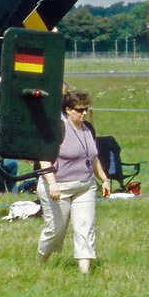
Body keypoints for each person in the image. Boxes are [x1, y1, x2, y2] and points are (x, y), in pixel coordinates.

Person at [35, 91, 112, 273]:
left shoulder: (88, 129)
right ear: (68, 110)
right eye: (79, 110)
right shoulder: (57, 128)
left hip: (85, 186)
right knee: (56, 230)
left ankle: (84, 271)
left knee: (85, 228)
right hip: (58, 186)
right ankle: (41, 262)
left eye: (86, 109)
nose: (84, 113)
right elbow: (44, 157)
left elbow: (93, 157)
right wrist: (52, 182)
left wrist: (104, 179)